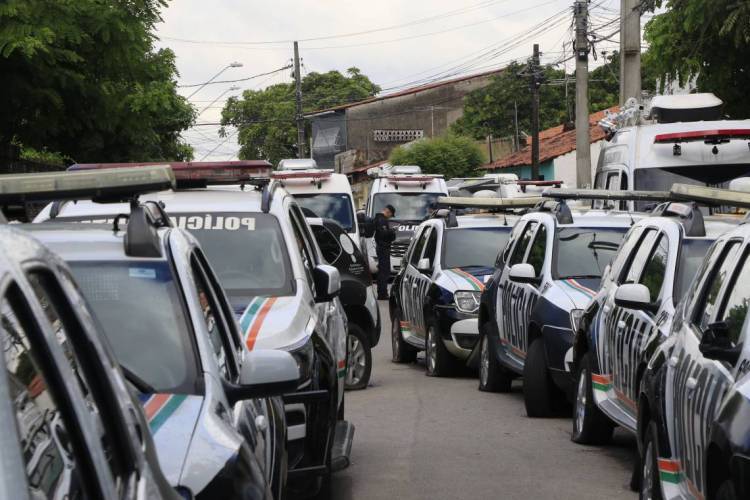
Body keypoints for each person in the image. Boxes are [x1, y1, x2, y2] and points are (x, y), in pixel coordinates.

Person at [374, 204, 396, 300]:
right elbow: (383, 234)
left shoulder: (380, 219)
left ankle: (382, 293)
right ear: (388, 212)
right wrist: (392, 231)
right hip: (383, 248)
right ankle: (382, 294)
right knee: (384, 272)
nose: (390, 217)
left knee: (383, 271)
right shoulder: (381, 220)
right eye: (391, 215)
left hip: (382, 247)